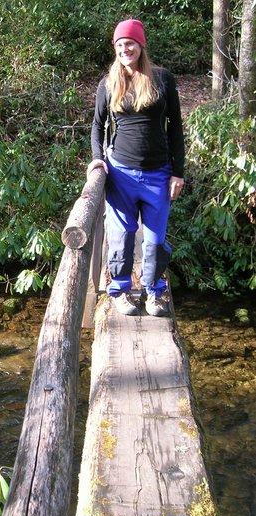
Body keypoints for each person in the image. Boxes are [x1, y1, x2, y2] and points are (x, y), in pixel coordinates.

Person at [87, 18, 185, 317]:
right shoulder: (109, 83)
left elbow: (176, 128)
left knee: (154, 240)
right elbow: (97, 124)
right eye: (119, 45)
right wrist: (97, 157)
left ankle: (154, 291)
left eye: (129, 43)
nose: (124, 49)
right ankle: (118, 289)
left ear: (140, 46)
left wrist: (178, 172)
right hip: (121, 173)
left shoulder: (162, 79)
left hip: (158, 174)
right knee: (122, 235)